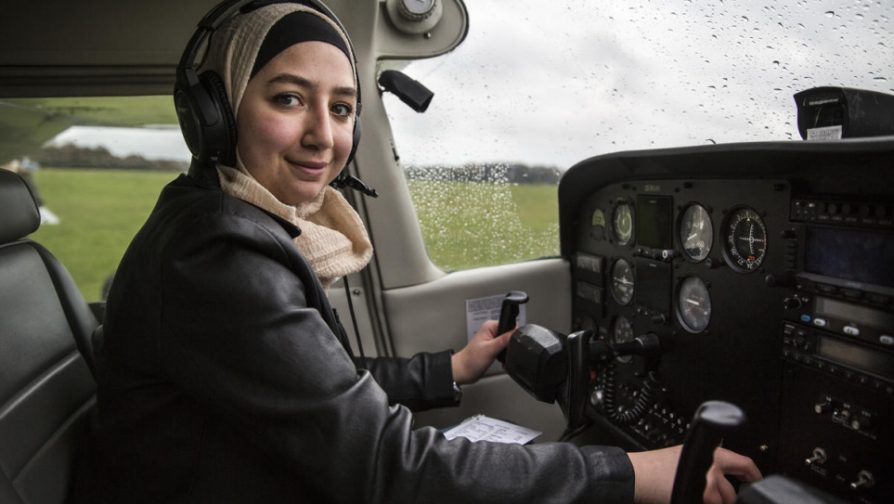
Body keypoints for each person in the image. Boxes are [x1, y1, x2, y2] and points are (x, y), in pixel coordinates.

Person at [72, 1, 761, 502]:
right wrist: (633, 472)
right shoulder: (218, 255)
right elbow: (389, 470)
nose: (324, 136)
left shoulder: (220, 222)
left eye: (342, 108)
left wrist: (452, 366)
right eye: (289, 98)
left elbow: (323, 379)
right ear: (214, 116)